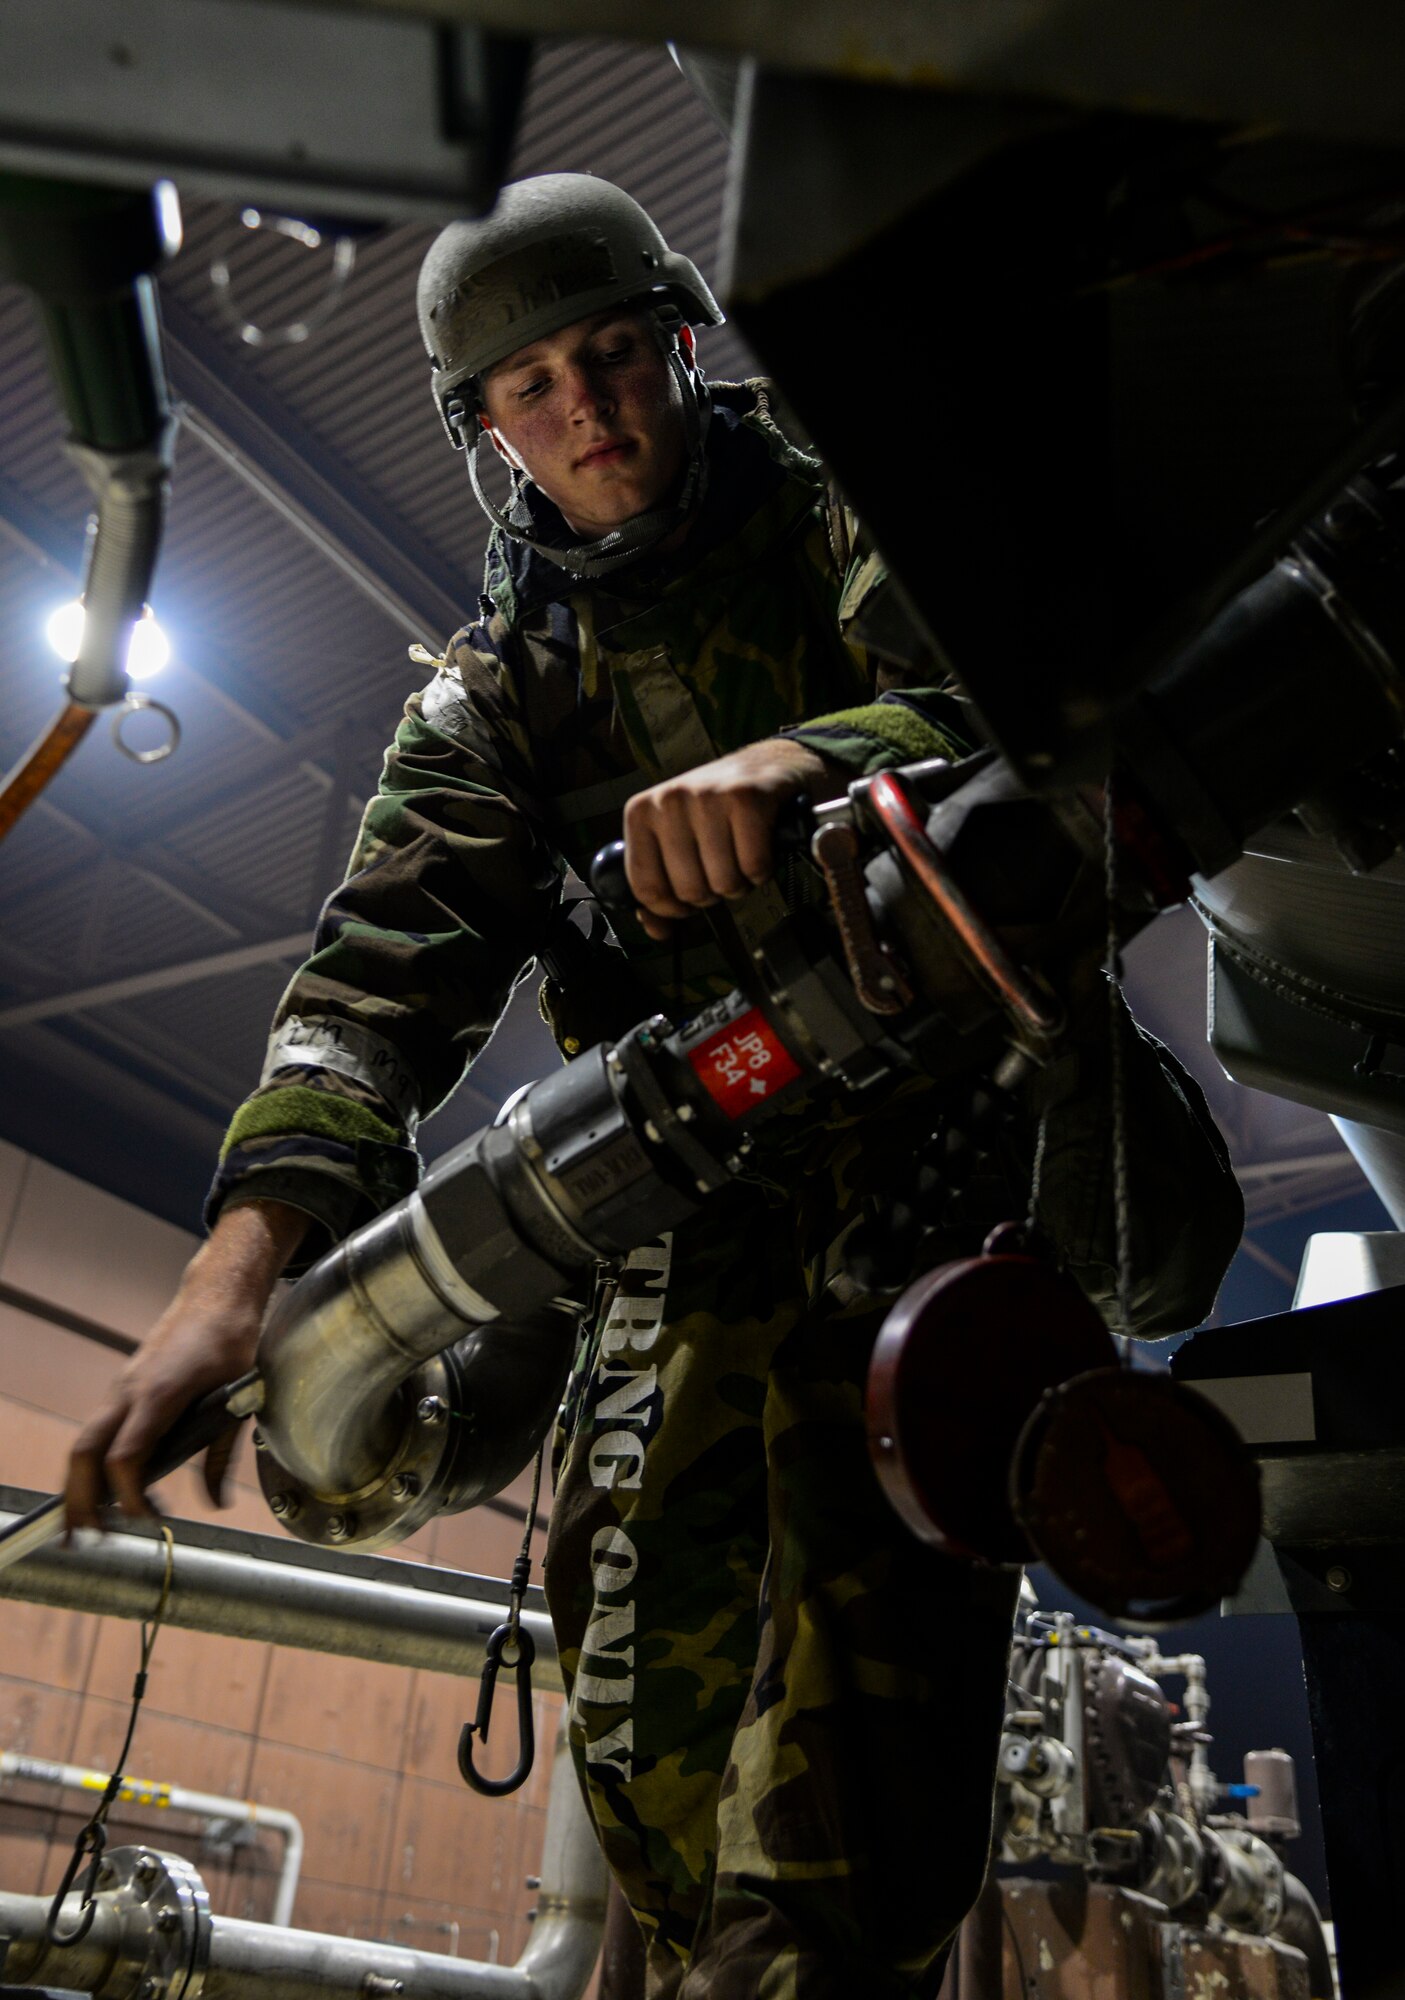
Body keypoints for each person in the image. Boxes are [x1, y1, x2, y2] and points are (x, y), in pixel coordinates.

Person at [65, 175, 1243, 1999]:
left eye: (612, 354)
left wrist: (806, 761)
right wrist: (221, 1290)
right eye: (530, 387)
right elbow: (374, 983)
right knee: (653, 1765)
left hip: (934, 1186)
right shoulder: (502, 687)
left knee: (844, 1813)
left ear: (677, 342)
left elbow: (1013, 703)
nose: (588, 413)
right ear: (484, 433)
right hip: (684, 1212)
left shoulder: (849, 512)